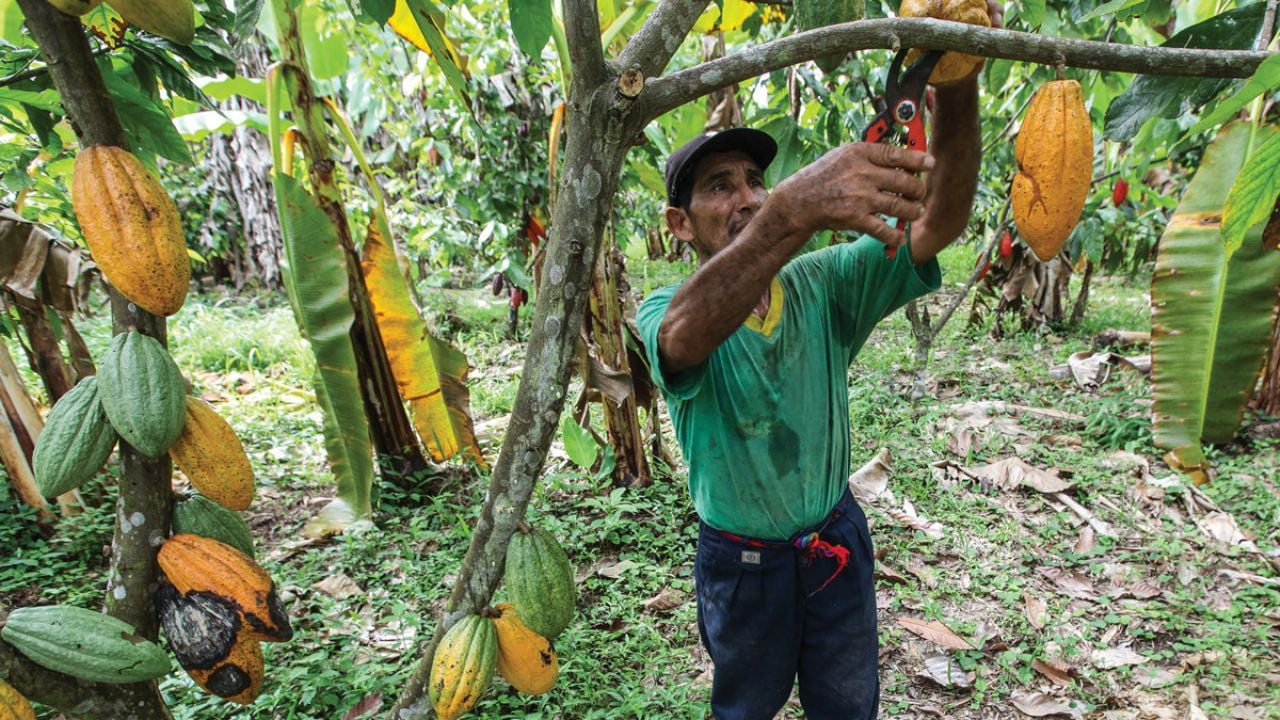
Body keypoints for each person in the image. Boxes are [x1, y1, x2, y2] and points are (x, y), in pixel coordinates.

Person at [634, 22, 999, 719]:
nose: (746, 198)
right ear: (679, 224)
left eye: (755, 182)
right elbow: (682, 339)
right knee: (745, 709)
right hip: (742, 567)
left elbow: (937, 222)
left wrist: (957, 80)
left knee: (848, 705)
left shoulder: (820, 285)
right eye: (719, 187)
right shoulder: (666, 309)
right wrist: (792, 210)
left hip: (835, 541)